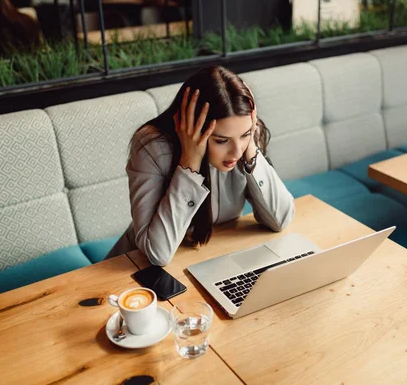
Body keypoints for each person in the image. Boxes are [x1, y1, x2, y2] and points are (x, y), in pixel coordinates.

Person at [106, 65, 295, 266]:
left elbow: (281, 219)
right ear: (193, 128)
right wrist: (190, 162)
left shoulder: (246, 139)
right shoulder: (152, 146)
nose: (236, 152)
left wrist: (251, 144)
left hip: (209, 258)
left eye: (244, 135)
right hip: (133, 270)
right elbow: (157, 253)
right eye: (221, 141)